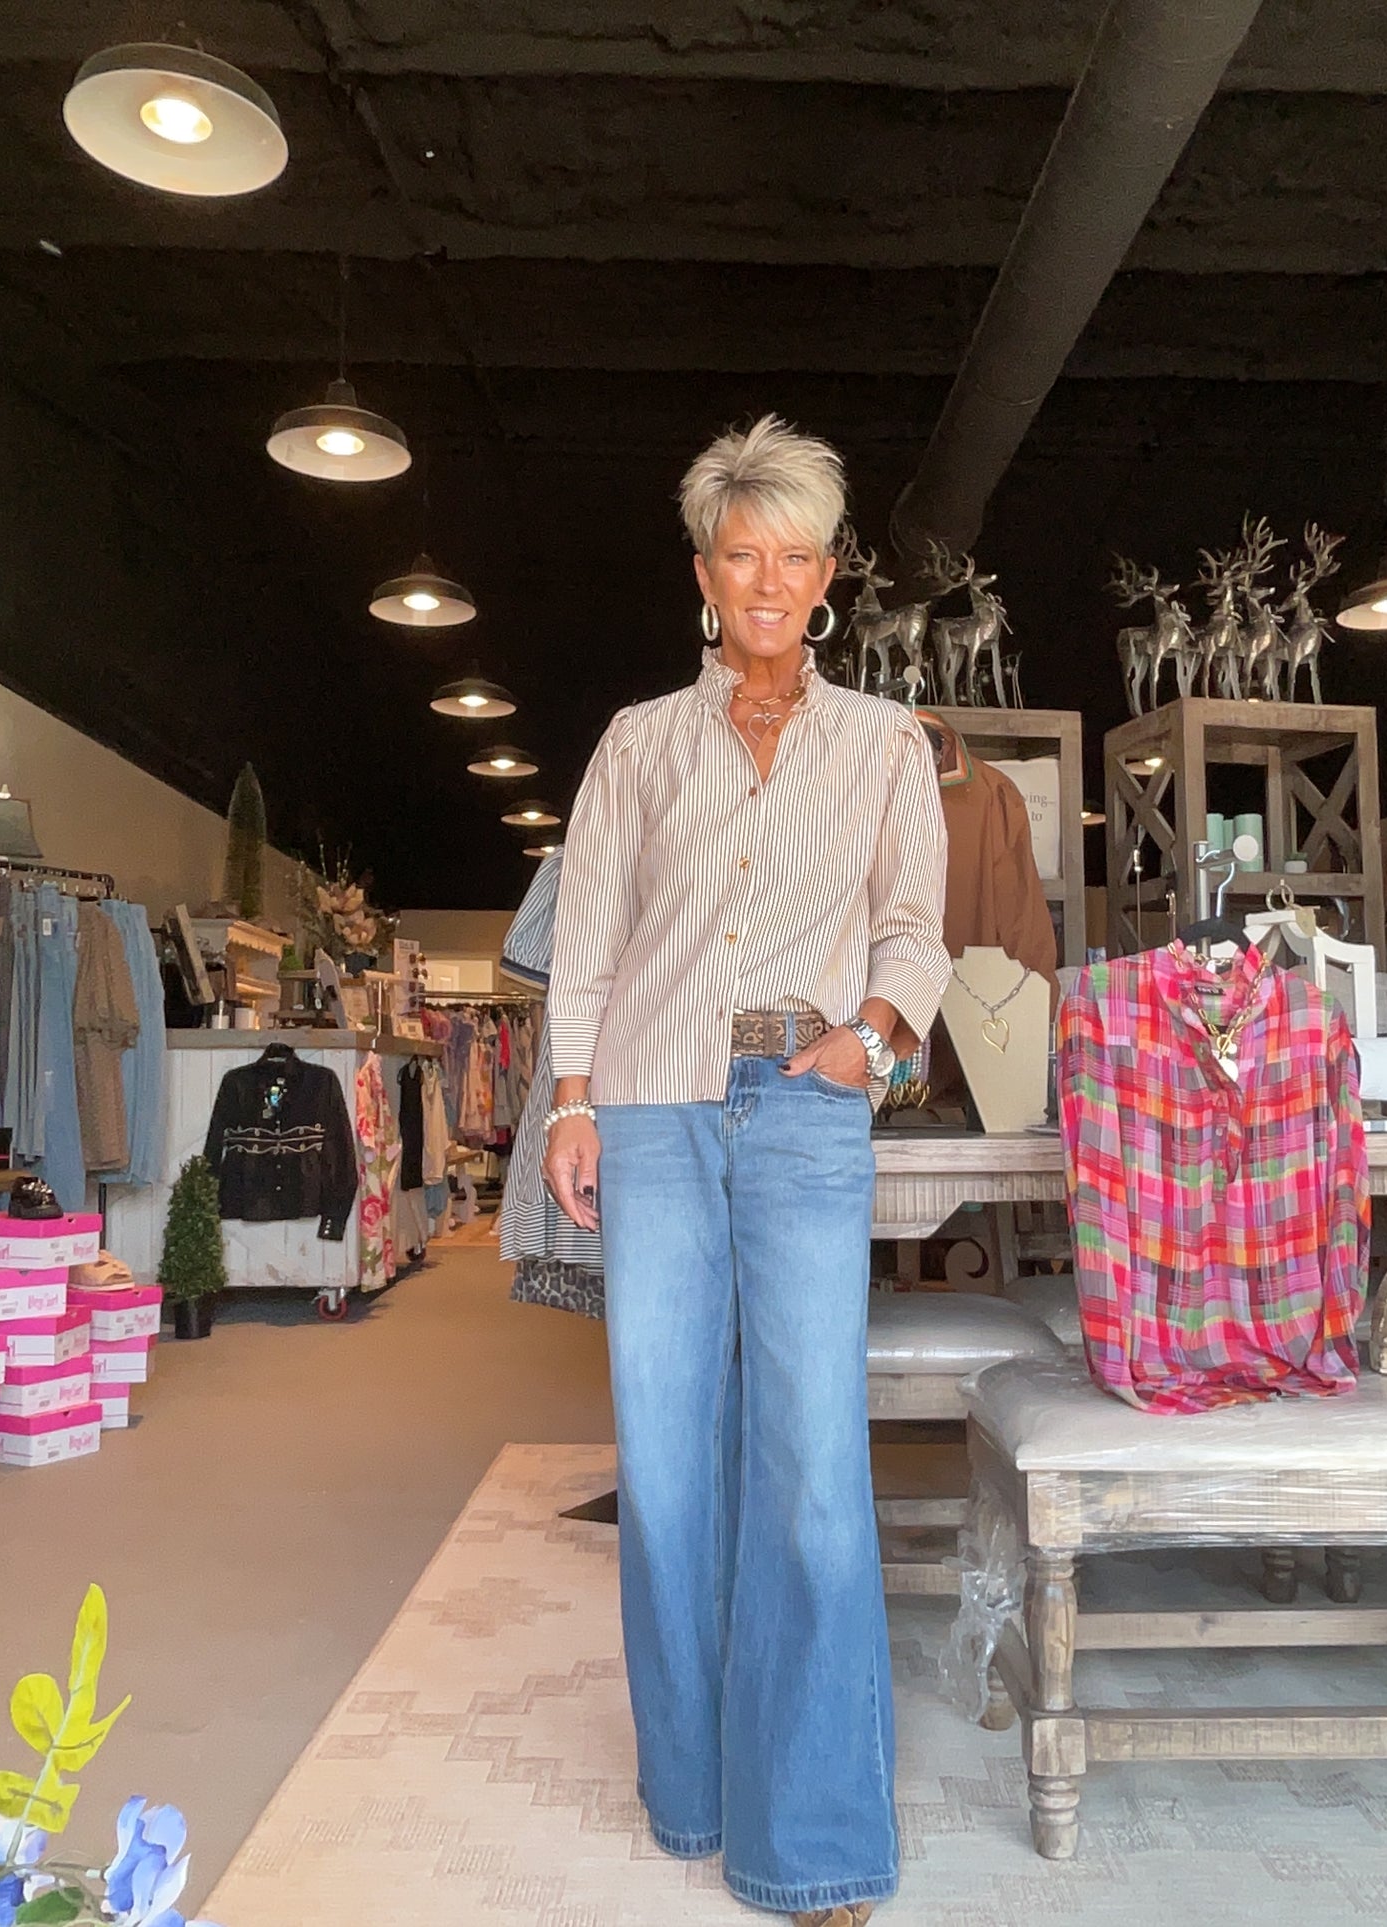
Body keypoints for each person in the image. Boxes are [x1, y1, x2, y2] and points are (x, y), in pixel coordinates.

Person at [544, 414, 949, 1927]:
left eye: (791, 555)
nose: (764, 581)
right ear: (702, 574)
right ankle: (691, 1789)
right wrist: (573, 1106)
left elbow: (914, 924)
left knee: (808, 1468)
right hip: (649, 1108)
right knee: (664, 1456)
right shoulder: (637, 744)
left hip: (800, 1108)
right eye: (738, 555)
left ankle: (813, 1839)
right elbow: (583, 944)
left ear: (825, 573)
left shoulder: (886, 744)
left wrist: (877, 1038)